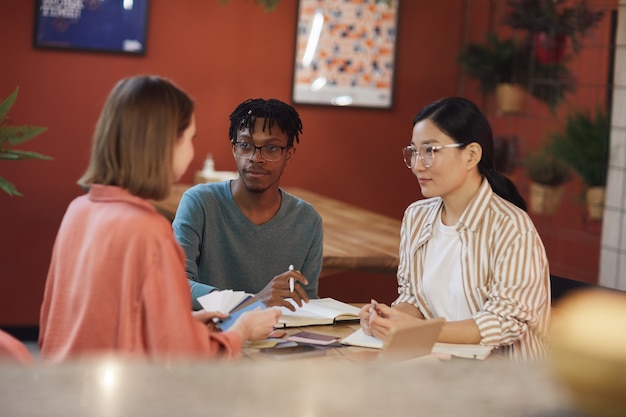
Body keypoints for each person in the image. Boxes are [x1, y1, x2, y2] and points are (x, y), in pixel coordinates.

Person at [38, 76, 280, 362]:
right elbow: (182, 358)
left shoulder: (78, 210)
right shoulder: (147, 229)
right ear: (164, 143)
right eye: (190, 138)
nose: (191, 151)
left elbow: (88, 324)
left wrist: (183, 323)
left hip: (64, 391)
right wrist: (242, 331)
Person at [360, 97, 550, 360]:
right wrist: (388, 318)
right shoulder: (416, 216)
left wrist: (416, 330)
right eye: (414, 151)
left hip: (505, 381)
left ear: (471, 155)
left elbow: (504, 322)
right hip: (439, 365)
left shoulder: (511, 226)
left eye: (430, 151)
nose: (417, 164)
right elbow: (414, 297)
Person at [173, 98, 323, 312]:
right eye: (245, 145)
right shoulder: (199, 203)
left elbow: (307, 303)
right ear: (234, 148)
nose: (256, 157)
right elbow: (175, 285)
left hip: (275, 339)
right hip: (209, 336)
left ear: (288, 154)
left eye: (271, 148)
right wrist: (251, 302)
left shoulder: (308, 220)